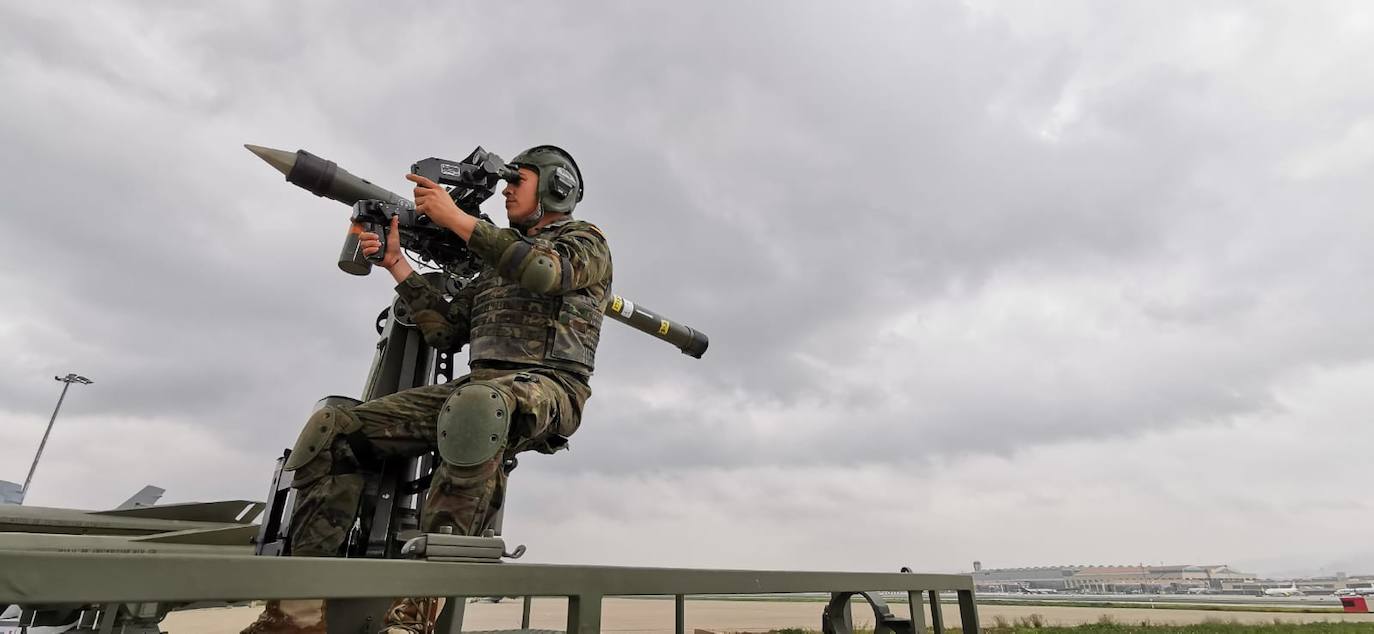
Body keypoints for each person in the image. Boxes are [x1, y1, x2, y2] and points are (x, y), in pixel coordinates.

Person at [242, 146, 612, 634]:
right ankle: (297, 615)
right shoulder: (495, 265)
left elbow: (543, 273)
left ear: (555, 188)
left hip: (549, 388)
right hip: (479, 391)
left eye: (515, 182)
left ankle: (415, 615)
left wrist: (457, 219)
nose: (505, 191)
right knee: (335, 427)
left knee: (477, 408)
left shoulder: (584, 242)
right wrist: (398, 266)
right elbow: (446, 329)